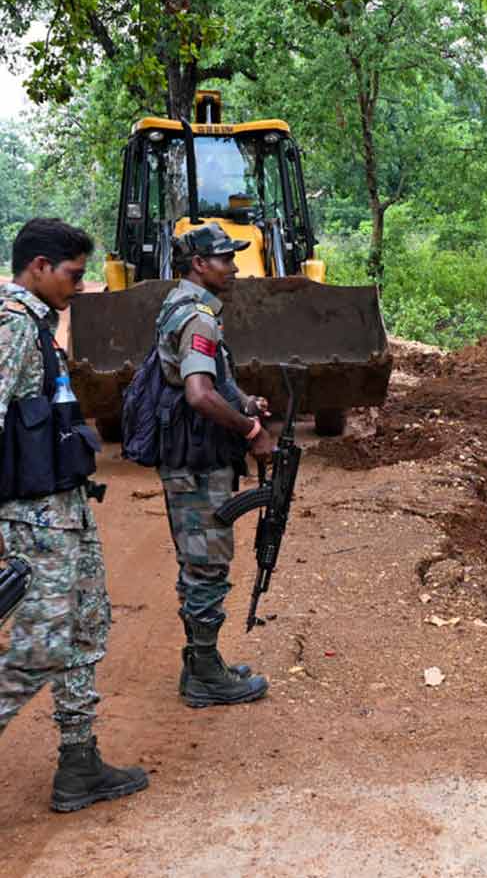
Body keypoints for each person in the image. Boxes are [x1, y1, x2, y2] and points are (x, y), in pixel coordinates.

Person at [0, 218, 148, 811]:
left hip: (64, 508)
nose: (80, 286)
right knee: (40, 647)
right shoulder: (12, 326)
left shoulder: (40, 324)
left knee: (86, 627)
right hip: (33, 517)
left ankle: (78, 761)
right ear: (38, 267)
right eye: (72, 274)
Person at [156, 222, 275, 707]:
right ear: (199, 264)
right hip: (198, 461)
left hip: (191, 457)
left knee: (199, 561)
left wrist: (243, 401)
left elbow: (211, 380)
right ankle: (205, 675)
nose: (234, 267)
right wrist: (251, 432)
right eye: (225, 258)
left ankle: (202, 663)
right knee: (207, 565)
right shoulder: (198, 317)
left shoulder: (182, 306)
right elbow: (199, 394)